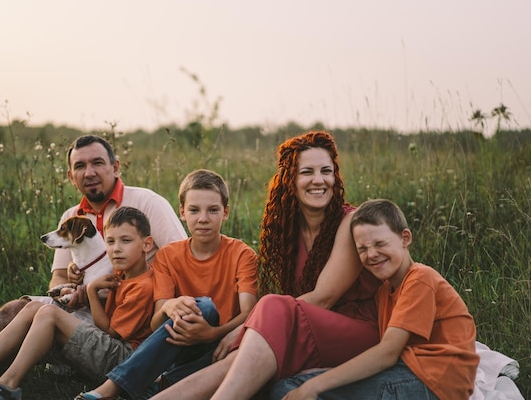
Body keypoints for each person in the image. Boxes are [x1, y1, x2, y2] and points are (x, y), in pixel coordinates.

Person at [0, 135, 187, 387]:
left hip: (128, 316)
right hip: (84, 310)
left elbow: (179, 262)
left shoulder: (147, 203)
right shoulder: (71, 216)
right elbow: (58, 278)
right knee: (17, 310)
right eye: (80, 166)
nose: (89, 172)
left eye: (97, 163)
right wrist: (67, 291)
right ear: (70, 175)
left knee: (26, 322)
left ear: (116, 167)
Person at [146, 130, 382, 400]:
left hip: (358, 330)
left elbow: (324, 298)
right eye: (307, 172)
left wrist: (245, 327)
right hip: (310, 326)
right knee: (235, 359)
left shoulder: (349, 222)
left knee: (268, 307)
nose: (319, 180)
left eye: (326, 171)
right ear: (290, 180)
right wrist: (254, 330)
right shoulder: (289, 230)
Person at [0, 206, 157, 400]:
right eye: (111, 242)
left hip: (126, 359)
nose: (115, 250)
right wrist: (78, 280)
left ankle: (6, 384)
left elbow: (111, 332)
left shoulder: (142, 286)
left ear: (146, 245)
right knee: (33, 307)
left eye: (125, 241)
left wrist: (92, 292)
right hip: (112, 349)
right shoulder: (121, 273)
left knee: (48, 315)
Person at [73, 169, 259, 400]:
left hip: (220, 346)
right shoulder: (168, 255)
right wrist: (169, 307)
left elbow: (250, 313)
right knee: (197, 307)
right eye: (194, 210)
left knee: (206, 309)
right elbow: (156, 320)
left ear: (226, 213)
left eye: (213, 210)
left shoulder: (242, 254)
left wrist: (211, 334)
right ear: (182, 212)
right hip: (178, 343)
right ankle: (134, 387)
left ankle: (129, 387)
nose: (203, 218)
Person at [268, 199, 480, 400]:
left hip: (433, 382)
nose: (371, 254)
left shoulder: (420, 278)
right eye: (362, 249)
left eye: (380, 243)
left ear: (405, 238)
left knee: (295, 389)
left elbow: (388, 352)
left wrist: (316, 384)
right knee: (287, 385)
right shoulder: (385, 291)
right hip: (414, 374)